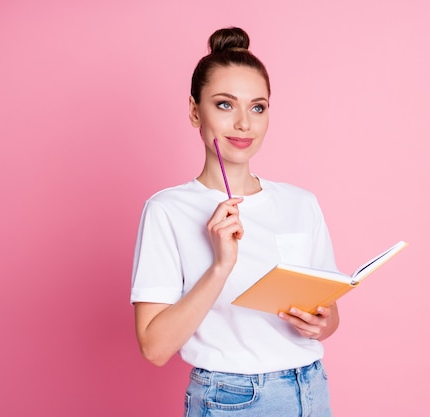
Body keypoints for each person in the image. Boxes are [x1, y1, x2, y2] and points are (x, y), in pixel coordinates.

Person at [131, 27, 339, 416]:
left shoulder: (301, 203)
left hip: (311, 389)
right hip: (233, 399)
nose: (244, 123)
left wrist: (319, 323)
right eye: (225, 105)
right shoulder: (167, 210)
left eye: (257, 107)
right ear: (195, 111)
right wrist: (220, 266)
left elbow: (330, 316)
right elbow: (154, 348)